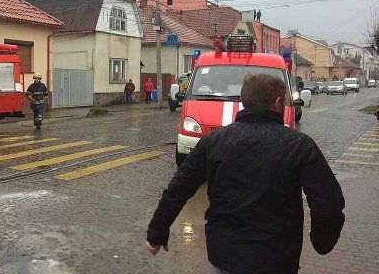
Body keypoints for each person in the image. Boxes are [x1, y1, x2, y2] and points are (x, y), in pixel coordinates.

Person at [146, 73, 344, 274]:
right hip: (278, 256)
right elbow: (328, 203)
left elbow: (178, 190)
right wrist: (322, 241)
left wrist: (157, 231)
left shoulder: (214, 141)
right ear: (277, 103)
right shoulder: (299, 145)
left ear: (243, 101)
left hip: (226, 255)